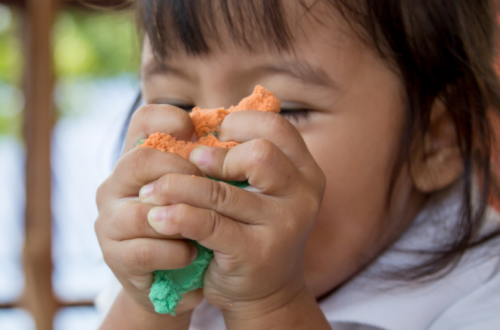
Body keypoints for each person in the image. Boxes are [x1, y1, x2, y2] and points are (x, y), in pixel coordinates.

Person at [94, 0, 500, 329]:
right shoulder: (151, 277)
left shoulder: (480, 293)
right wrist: (148, 306)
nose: (214, 150)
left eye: (284, 110)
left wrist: (270, 305)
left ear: (435, 139)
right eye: (178, 104)